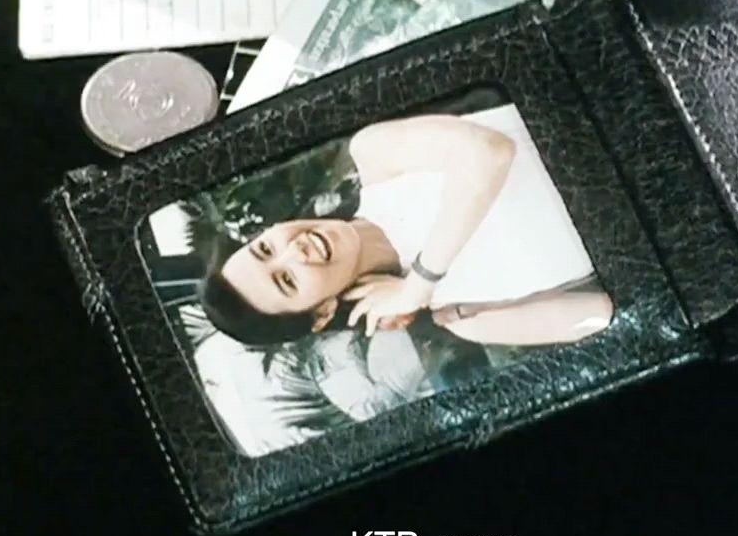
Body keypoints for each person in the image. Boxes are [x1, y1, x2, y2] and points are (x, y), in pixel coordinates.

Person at [196, 104, 614, 353]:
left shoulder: (375, 156)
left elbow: (490, 153)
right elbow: (604, 313)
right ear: (321, 314)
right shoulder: (465, 316)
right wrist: (456, 309)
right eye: (286, 280)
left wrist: (420, 283)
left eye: (265, 248)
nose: (294, 250)